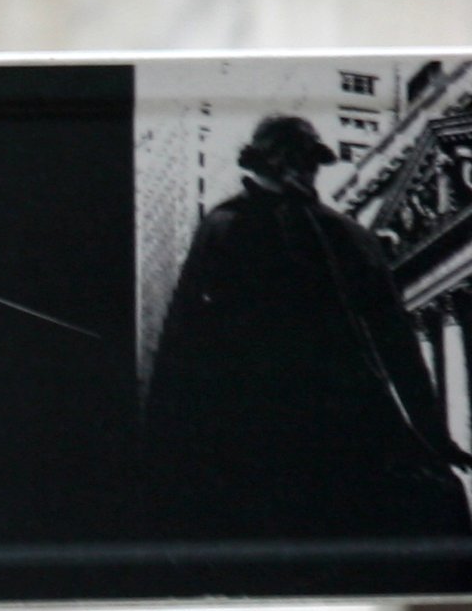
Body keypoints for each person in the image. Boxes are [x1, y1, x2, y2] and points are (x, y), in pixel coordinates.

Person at [143, 113, 472, 543]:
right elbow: (184, 342)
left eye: (308, 161)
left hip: (322, 429)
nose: (302, 171)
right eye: (292, 160)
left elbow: (398, 344)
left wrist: (435, 437)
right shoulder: (230, 228)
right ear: (267, 164)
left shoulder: (345, 236)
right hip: (269, 428)